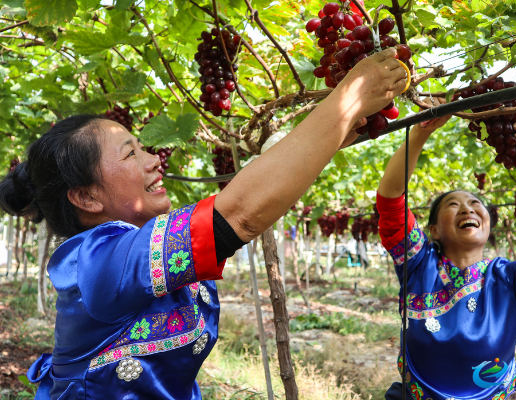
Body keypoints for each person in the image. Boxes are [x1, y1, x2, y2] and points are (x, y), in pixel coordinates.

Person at [0, 48, 407, 399]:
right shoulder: (95, 262)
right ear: (86, 197)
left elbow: (241, 204)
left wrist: (327, 136)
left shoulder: (143, 246)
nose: (153, 159)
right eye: (129, 155)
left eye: (143, 146)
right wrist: (347, 99)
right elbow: (239, 213)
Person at [376, 106, 516, 400]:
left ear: (486, 221)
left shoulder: (513, 279)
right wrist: (421, 132)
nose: (467, 207)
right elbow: (390, 198)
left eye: (475, 202)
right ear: (434, 229)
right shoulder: (419, 264)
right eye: (452, 204)